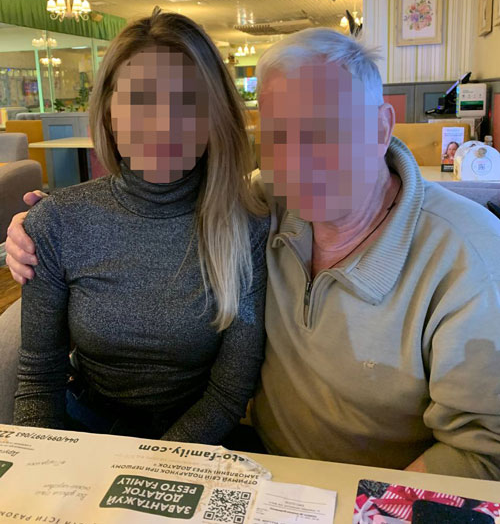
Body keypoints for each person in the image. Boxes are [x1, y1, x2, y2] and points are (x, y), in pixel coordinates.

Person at [6, 28, 500, 480]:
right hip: (259, 468)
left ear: (379, 128)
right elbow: (158, 208)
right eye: (279, 135)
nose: (299, 160)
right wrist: (38, 228)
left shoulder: (470, 256)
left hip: (369, 491)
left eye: (324, 130)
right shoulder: (266, 203)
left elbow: (484, 452)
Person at [4, 8, 269, 444]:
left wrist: (151, 465)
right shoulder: (58, 221)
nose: (163, 123)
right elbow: (39, 378)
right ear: (109, 111)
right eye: (140, 99)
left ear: (214, 116)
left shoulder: (246, 225)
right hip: (86, 429)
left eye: (187, 101)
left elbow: (228, 393)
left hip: (198, 439)